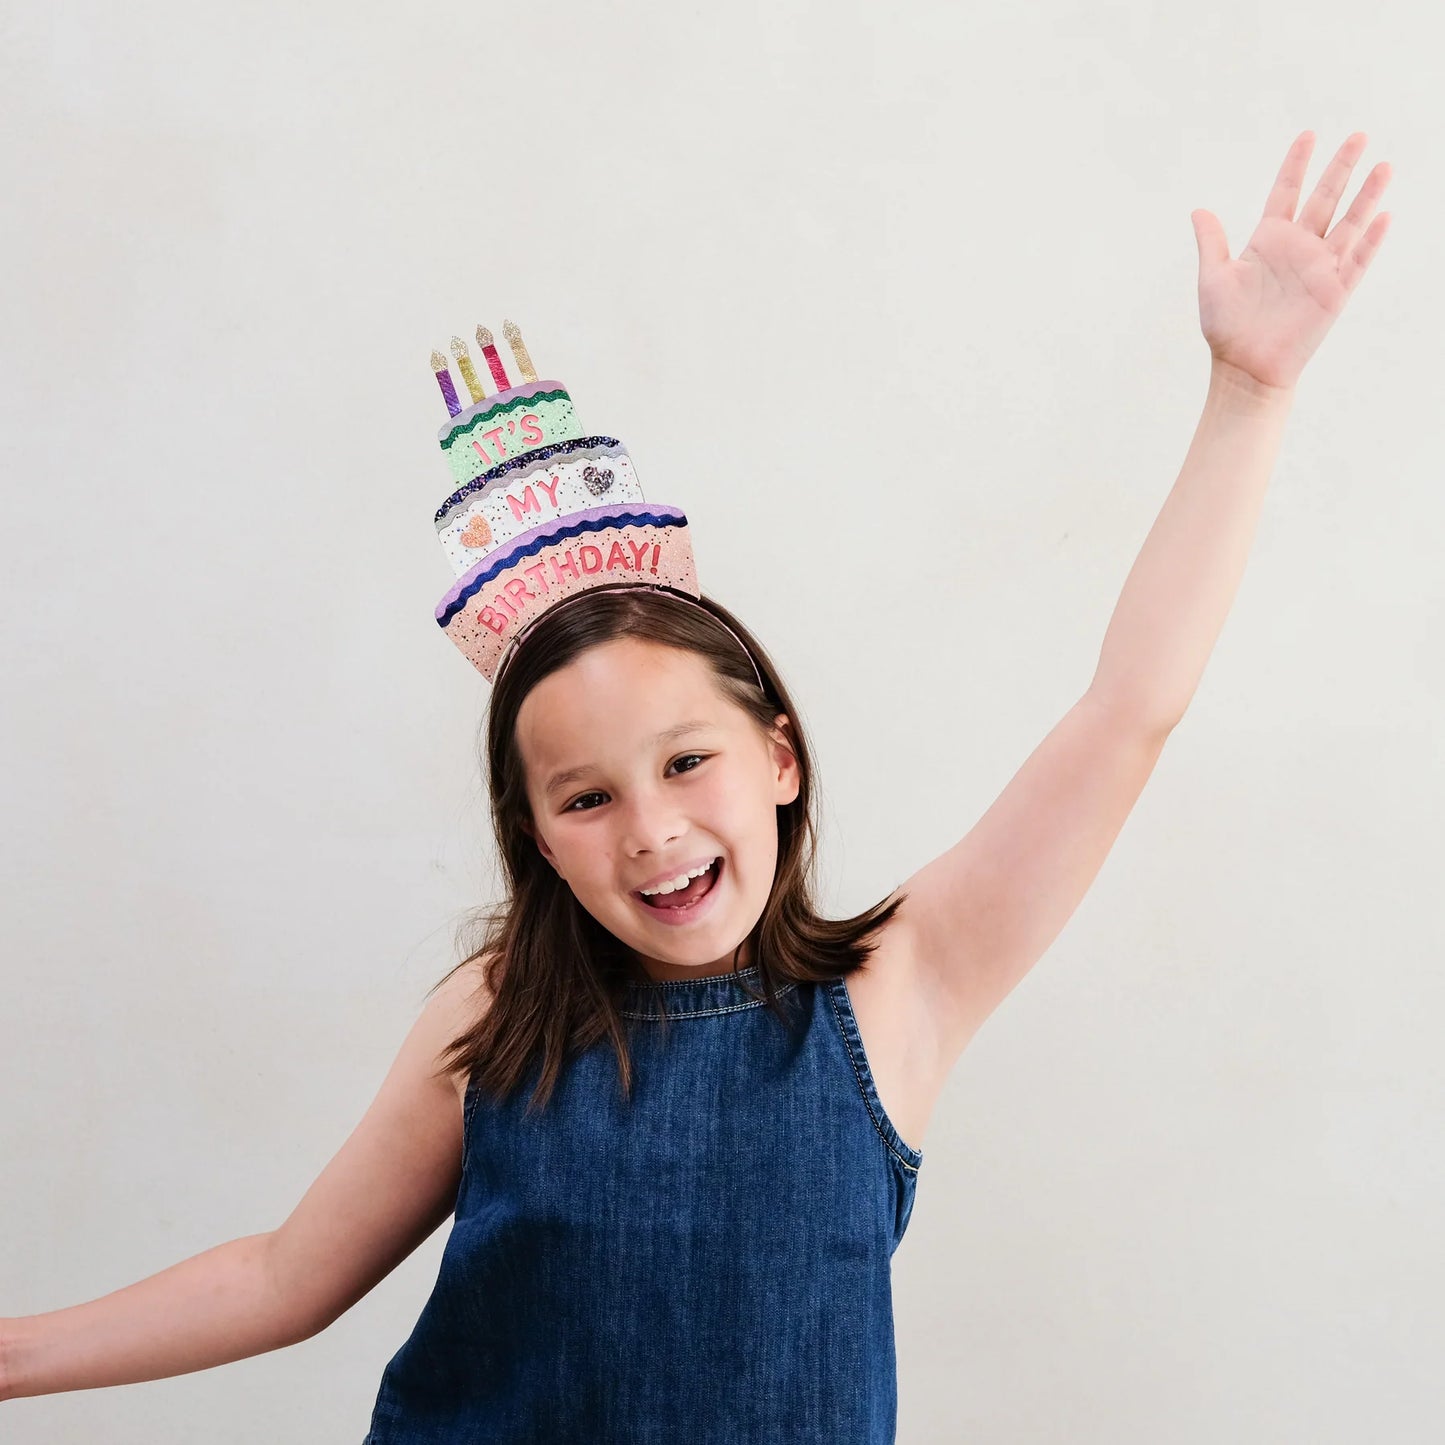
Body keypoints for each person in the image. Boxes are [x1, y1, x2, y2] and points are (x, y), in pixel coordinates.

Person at [0, 130, 1392, 1442]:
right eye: (586, 796)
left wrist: (1247, 393)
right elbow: (284, 1276)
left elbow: (1125, 713)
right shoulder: (497, 1017)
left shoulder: (901, 985)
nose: (654, 827)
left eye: (686, 761)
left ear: (777, 755)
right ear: (535, 836)